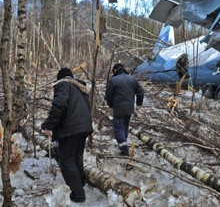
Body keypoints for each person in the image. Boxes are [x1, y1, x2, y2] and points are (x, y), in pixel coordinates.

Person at [41, 67, 93, 203]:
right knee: (76, 157)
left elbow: (59, 105)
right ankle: (79, 184)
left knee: (66, 161)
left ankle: (78, 194)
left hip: (71, 129)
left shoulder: (63, 84)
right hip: (84, 127)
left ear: (60, 78)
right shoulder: (80, 88)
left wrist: (49, 126)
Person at [105, 63, 144, 156]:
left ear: (115, 70)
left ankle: (124, 150)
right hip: (129, 108)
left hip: (118, 109)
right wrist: (139, 104)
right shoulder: (132, 79)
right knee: (125, 127)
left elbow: (108, 95)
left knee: (119, 129)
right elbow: (140, 92)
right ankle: (124, 144)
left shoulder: (113, 80)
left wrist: (110, 104)